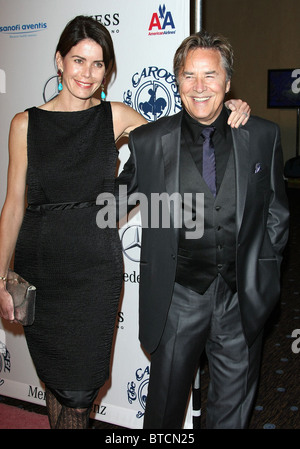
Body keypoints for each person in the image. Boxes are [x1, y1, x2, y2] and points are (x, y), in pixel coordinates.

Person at [0, 15, 250, 429]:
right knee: (55, 379)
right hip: (40, 265)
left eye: (98, 64)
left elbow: (182, 134)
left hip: (94, 269)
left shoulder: (114, 116)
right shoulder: (24, 124)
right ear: (59, 61)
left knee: (81, 391)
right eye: (78, 60)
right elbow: (12, 207)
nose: (88, 73)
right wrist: (2, 275)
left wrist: (225, 108)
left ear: (107, 71)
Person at [117, 30, 289, 429]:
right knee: (162, 415)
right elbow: (109, 203)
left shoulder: (262, 135)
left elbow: (277, 212)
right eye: (188, 76)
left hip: (241, 298)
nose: (199, 87)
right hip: (177, 299)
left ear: (228, 83)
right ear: (176, 81)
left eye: (210, 76)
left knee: (233, 413)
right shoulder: (149, 141)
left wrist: (264, 266)